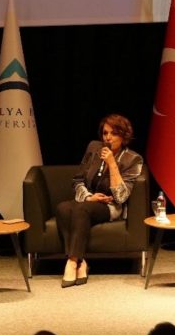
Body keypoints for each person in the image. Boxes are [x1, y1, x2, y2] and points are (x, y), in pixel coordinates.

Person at [55, 114, 144, 287]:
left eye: (114, 133)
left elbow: (121, 197)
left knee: (81, 209)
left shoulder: (133, 159)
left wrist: (112, 163)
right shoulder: (94, 148)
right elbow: (77, 180)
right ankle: (81, 263)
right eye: (105, 133)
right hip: (89, 200)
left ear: (124, 136)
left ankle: (71, 262)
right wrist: (89, 197)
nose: (108, 138)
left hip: (110, 205)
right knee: (62, 208)